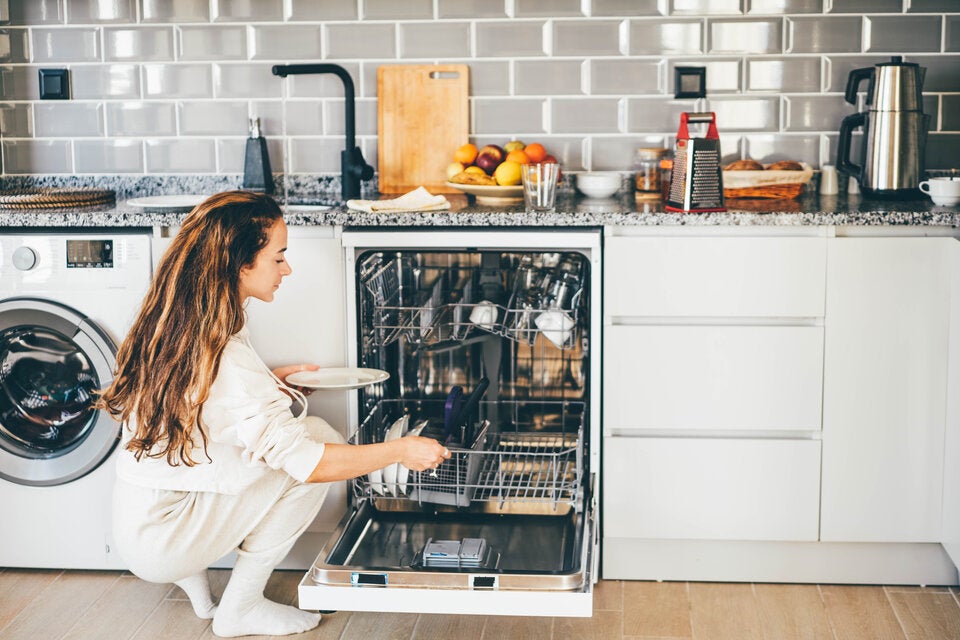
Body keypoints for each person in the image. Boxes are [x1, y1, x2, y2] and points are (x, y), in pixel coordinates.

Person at [98, 190, 450, 638]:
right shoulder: (227, 354)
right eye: (278, 257)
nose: (287, 269)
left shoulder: (177, 320)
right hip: (167, 538)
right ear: (240, 262)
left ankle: (193, 577)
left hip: (143, 516)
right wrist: (399, 450)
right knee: (322, 438)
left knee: (296, 440)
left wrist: (272, 386)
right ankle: (239, 608)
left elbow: (205, 408)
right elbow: (311, 463)